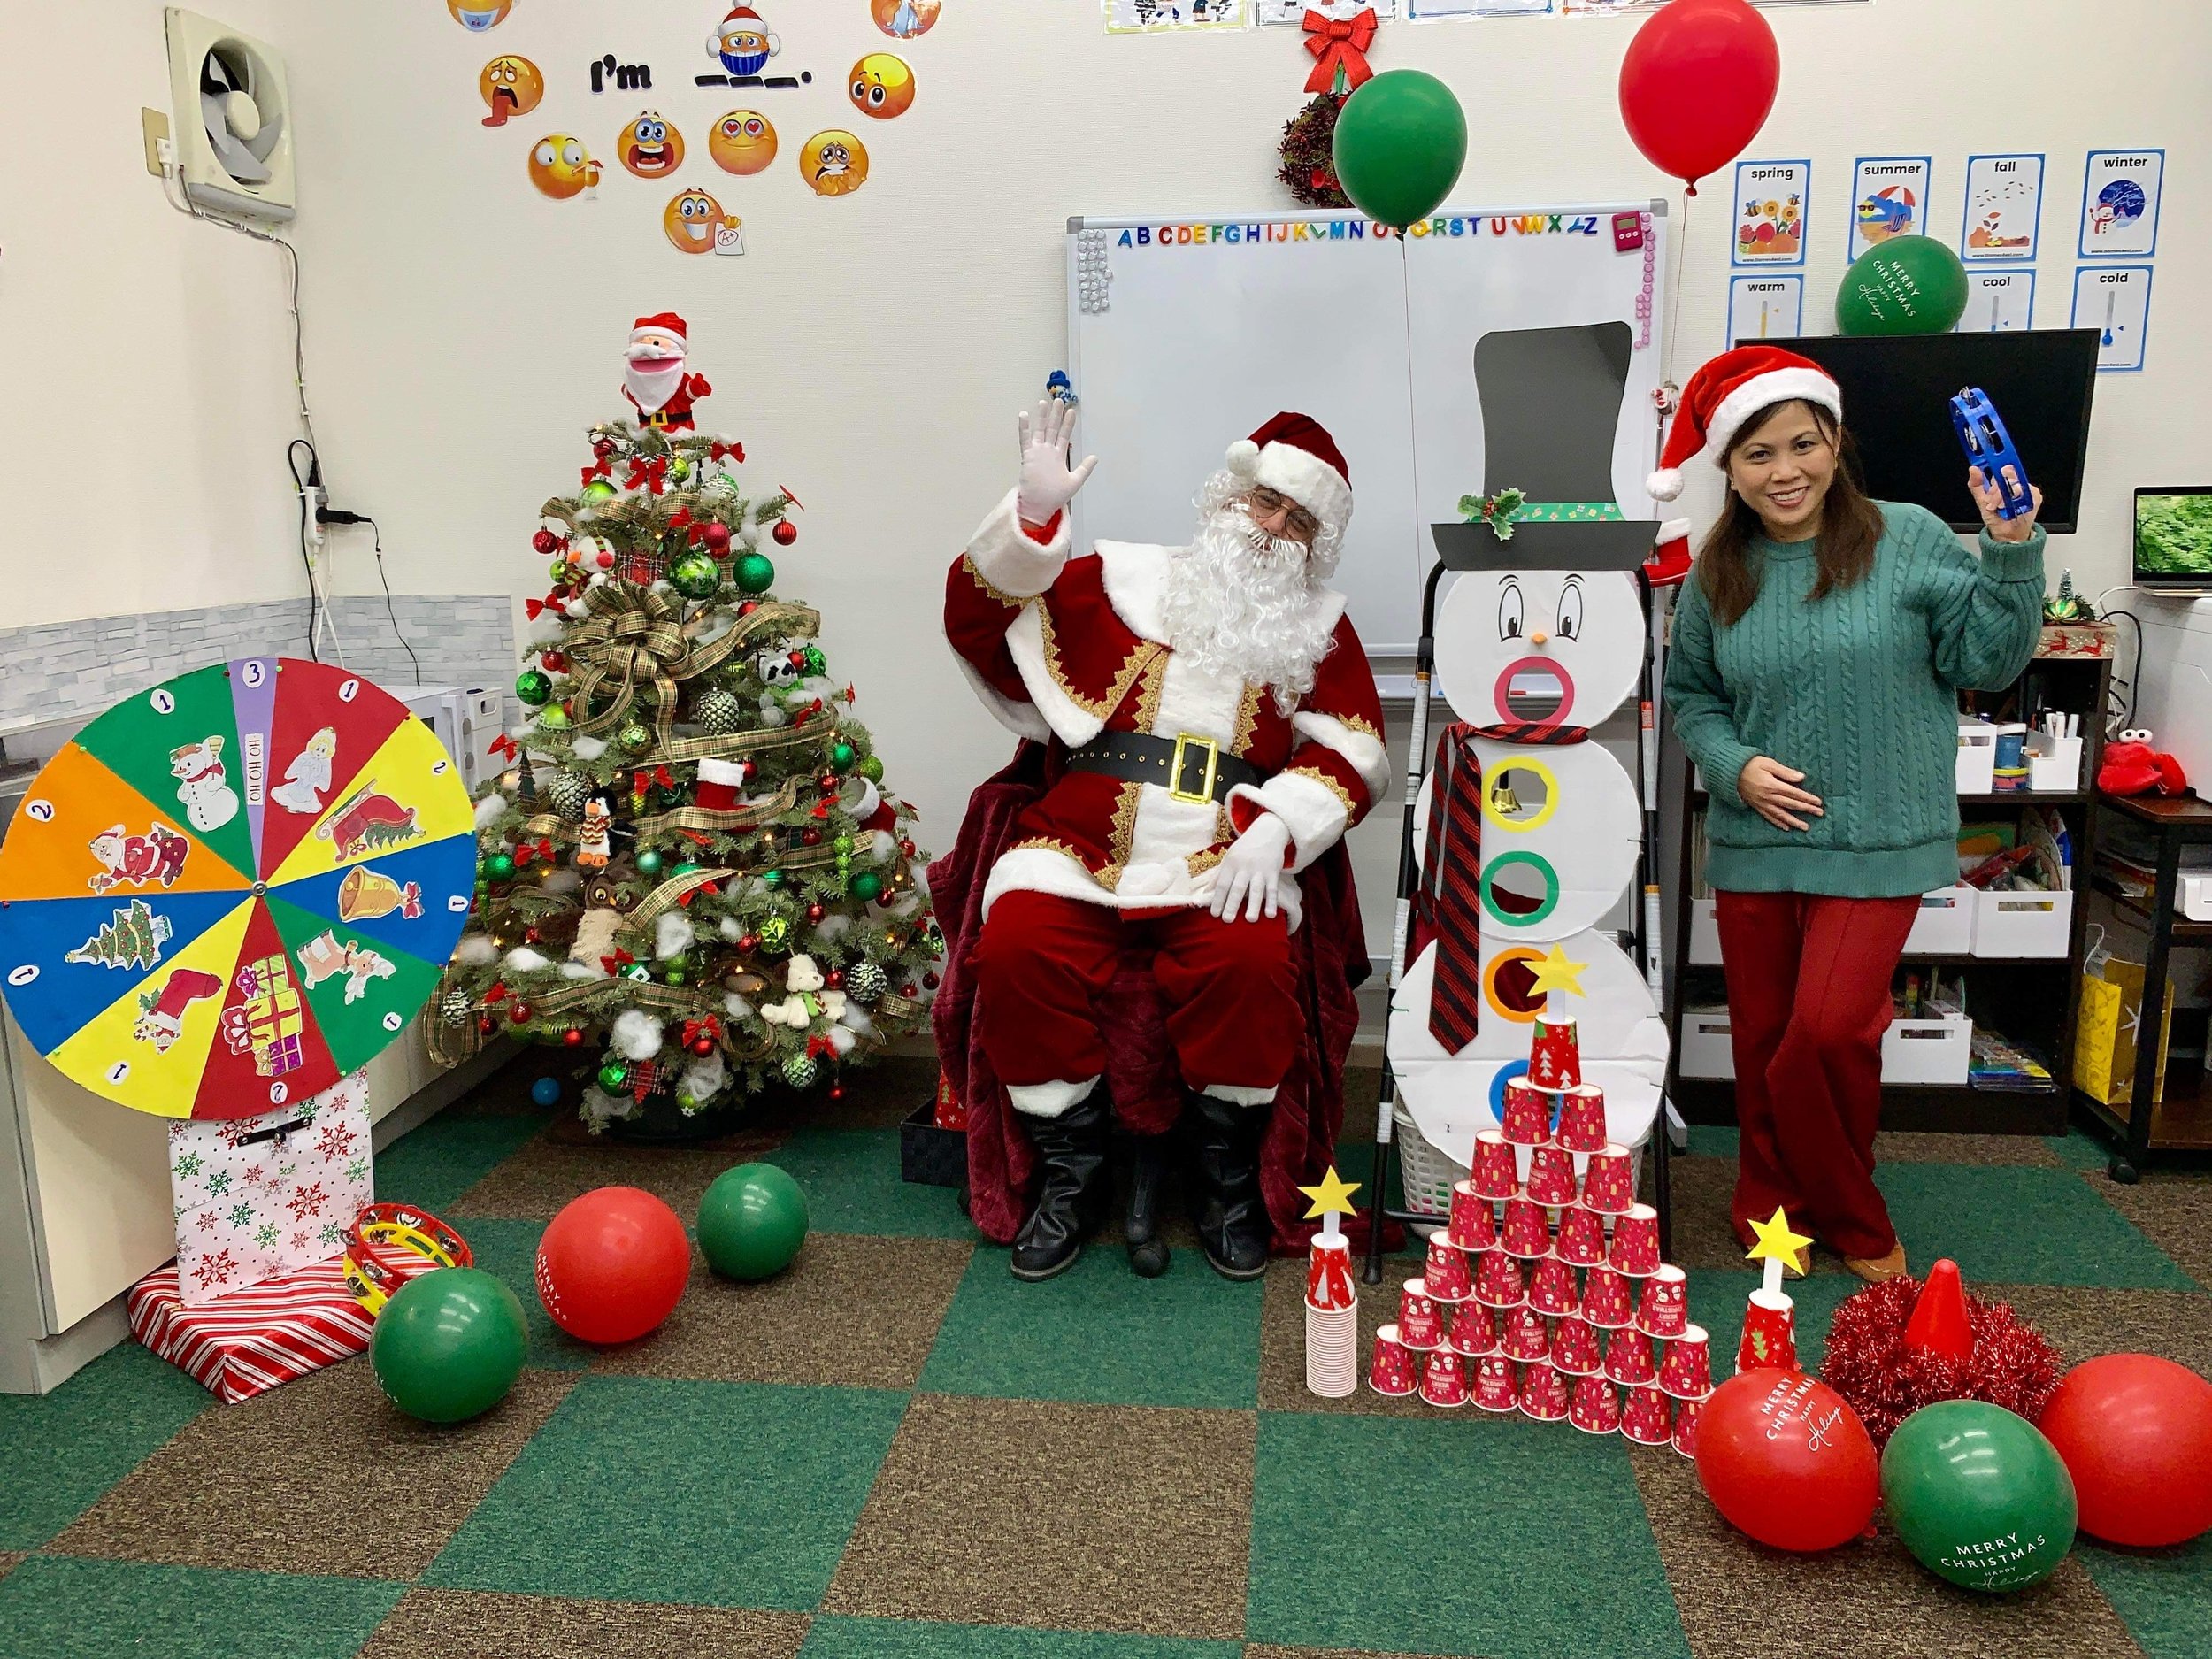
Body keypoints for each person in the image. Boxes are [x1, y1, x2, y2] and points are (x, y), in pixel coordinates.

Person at [944, 403, 1388, 1282]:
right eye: (1264, 503)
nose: (1272, 528)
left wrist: (1280, 826)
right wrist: (1031, 521)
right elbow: (980, 628)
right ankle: (1071, 1173)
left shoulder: (1317, 630)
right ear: (1228, 498)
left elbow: (1355, 751)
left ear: (1316, 544)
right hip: (1077, 843)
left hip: (1221, 852)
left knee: (1249, 962)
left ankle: (1227, 1179)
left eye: (1298, 521)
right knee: (1021, 943)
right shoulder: (1119, 581)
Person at [1656, 346, 2046, 1283]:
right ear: (1728, 467)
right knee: (1764, 1041)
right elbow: (1692, 696)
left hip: (1880, 838)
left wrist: (2010, 548)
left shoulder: (1908, 536)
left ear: (1835, 442)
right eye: (1758, 453)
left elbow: (1986, 661)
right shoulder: (1718, 572)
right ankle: (1768, 1205)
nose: (1784, 470)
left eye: (1803, 444)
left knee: (1829, 1034)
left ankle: (1852, 1216)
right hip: (1757, 843)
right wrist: (1734, 766)